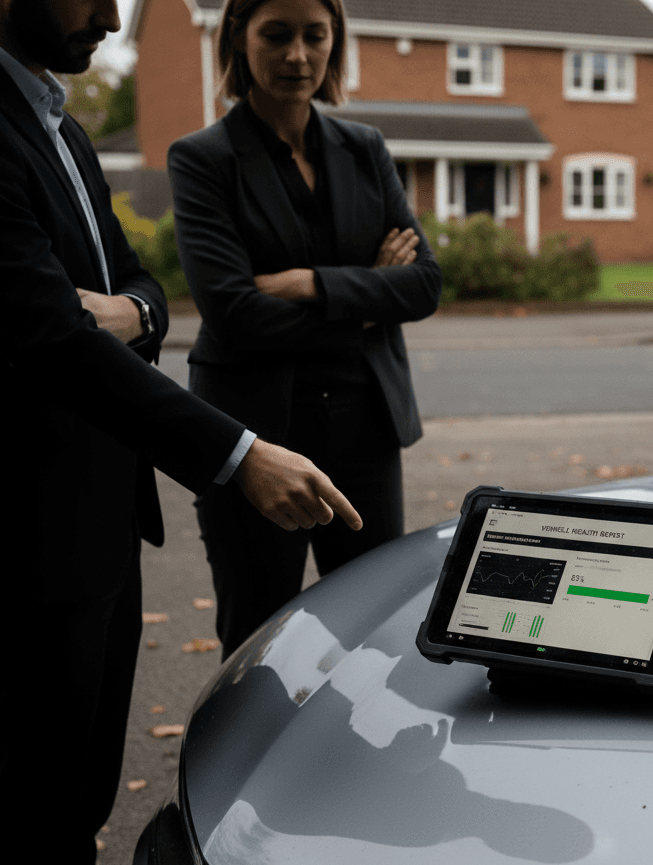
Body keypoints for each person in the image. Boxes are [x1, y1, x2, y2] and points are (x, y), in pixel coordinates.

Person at [0, 2, 361, 865]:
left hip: (96, 524)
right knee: (18, 818)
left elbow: (141, 291)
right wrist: (236, 453)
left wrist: (128, 309)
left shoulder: (58, 126)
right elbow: (44, 334)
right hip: (16, 534)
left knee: (69, 809)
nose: (114, 17)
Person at [168, 0, 442, 657]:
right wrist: (367, 298)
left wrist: (312, 283)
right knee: (258, 638)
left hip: (365, 429)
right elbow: (235, 314)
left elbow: (424, 284)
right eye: (277, 34)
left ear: (334, 42)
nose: (297, 55)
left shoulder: (364, 147)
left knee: (377, 629)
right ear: (240, 36)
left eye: (314, 36)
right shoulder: (202, 159)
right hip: (253, 436)